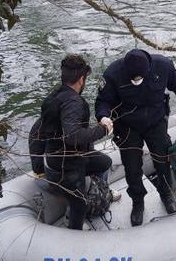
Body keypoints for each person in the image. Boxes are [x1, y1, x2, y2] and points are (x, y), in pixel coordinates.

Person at [95, 49, 176, 226]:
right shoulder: (112, 73)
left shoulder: (164, 66)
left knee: (162, 159)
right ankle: (138, 202)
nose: (136, 82)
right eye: (132, 79)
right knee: (132, 166)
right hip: (127, 125)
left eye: (139, 78)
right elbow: (103, 101)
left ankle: (166, 194)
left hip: (156, 121)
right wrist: (103, 116)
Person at [40, 54, 115, 230]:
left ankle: (100, 191)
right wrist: (103, 129)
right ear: (81, 80)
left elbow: (38, 129)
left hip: (55, 159)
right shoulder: (74, 102)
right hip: (67, 167)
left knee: (105, 162)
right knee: (79, 205)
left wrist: (38, 165)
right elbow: (72, 136)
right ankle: (74, 228)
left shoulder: (52, 98)